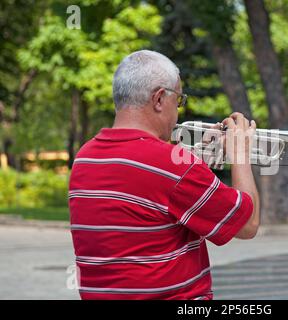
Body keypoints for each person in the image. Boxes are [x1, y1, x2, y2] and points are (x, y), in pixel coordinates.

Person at [69, 50, 260, 300]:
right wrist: (240, 154)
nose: (178, 112)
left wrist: (195, 163)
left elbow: (144, 206)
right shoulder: (174, 167)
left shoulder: (85, 157)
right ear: (159, 99)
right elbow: (247, 225)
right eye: (178, 101)